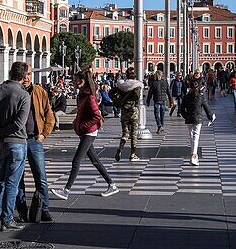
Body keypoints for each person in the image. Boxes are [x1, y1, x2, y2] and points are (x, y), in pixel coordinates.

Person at [51, 71, 118, 202]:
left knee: (76, 160)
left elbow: (97, 116)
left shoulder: (89, 96)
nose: (74, 82)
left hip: (89, 132)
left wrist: (83, 126)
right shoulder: (81, 95)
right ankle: (112, 184)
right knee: (95, 160)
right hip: (85, 131)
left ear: (83, 81)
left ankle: (66, 190)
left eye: (76, 80)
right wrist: (76, 122)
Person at [0, 61, 32, 231]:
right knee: (12, 182)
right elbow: (20, 123)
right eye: (28, 74)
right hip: (17, 142)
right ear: (23, 76)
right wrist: (3, 132)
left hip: (1, 144)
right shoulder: (23, 95)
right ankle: (7, 218)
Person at [16, 66, 55, 222]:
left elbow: (49, 114)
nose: (27, 77)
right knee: (19, 178)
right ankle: (22, 211)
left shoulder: (39, 91)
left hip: (34, 139)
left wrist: (44, 134)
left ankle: (44, 209)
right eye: (25, 75)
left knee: (41, 176)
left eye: (30, 74)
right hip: (17, 139)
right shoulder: (15, 92)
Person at [180, 74, 215, 166]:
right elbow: (207, 108)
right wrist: (211, 117)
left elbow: (181, 109)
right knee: (195, 137)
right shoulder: (201, 96)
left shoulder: (186, 96)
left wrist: (186, 116)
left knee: (192, 137)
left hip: (189, 119)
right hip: (198, 119)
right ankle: (194, 156)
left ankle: (193, 154)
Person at [110, 68, 142, 162]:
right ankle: (132, 154)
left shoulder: (121, 86)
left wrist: (116, 100)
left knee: (125, 133)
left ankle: (120, 149)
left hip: (124, 111)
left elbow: (111, 92)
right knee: (134, 133)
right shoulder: (136, 86)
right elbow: (137, 97)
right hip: (133, 111)